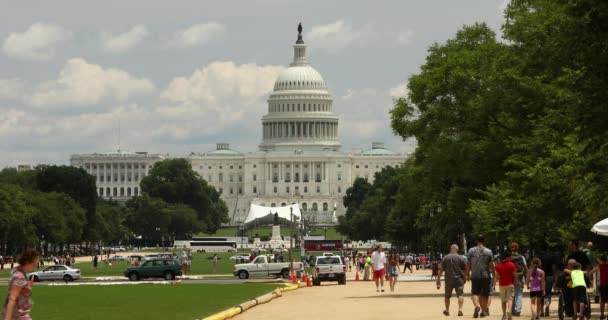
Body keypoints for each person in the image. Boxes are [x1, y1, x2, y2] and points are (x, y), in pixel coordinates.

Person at [2, 249, 39, 320]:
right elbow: (12, 298)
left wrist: (27, 286)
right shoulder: (20, 277)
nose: (35, 267)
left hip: (19, 314)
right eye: (34, 264)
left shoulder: (17, 271)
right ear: (27, 262)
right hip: (18, 315)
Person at [465, 235, 495, 318]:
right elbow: (491, 265)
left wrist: (467, 274)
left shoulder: (471, 250)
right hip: (486, 275)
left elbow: (468, 264)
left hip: (475, 275)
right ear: (484, 241)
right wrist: (494, 274)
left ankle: (477, 306)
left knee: (475, 293)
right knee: (485, 294)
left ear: (476, 241)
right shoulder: (488, 251)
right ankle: (483, 311)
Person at [437, 244, 466, 317]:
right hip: (459, 279)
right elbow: (465, 269)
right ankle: (460, 309)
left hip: (448, 280)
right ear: (457, 249)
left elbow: (441, 269)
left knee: (447, 296)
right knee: (460, 294)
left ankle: (447, 310)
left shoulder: (446, 257)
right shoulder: (461, 258)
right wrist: (465, 277)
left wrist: (438, 279)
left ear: (451, 249)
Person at [495, 251, 518, 320]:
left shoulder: (499, 265)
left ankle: (504, 315)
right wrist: (517, 281)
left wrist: (493, 285)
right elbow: (515, 274)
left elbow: (496, 276)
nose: (511, 258)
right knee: (510, 299)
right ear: (508, 257)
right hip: (510, 284)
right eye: (510, 257)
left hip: (502, 284)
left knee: (503, 300)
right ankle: (509, 311)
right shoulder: (512, 265)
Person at [510, 242, 528, 317]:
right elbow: (525, 268)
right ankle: (517, 310)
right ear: (518, 248)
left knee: (512, 294)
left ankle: (513, 310)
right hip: (520, 277)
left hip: (511, 277)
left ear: (511, 248)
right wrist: (527, 277)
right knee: (519, 293)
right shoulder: (521, 257)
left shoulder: (509, 257)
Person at [540, 247, 559, 317]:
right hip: (549, 277)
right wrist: (555, 278)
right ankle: (547, 303)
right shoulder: (552, 258)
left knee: (541, 293)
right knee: (548, 292)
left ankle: (541, 311)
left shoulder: (541, 257)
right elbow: (554, 268)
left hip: (541, 276)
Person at [590, 255, 608, 320]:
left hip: (603, 285)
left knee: (602, 300)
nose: (597, 261)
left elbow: (591, 272)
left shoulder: (599, 266)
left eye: (598, 260)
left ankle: (602, 315)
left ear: (601, 260)